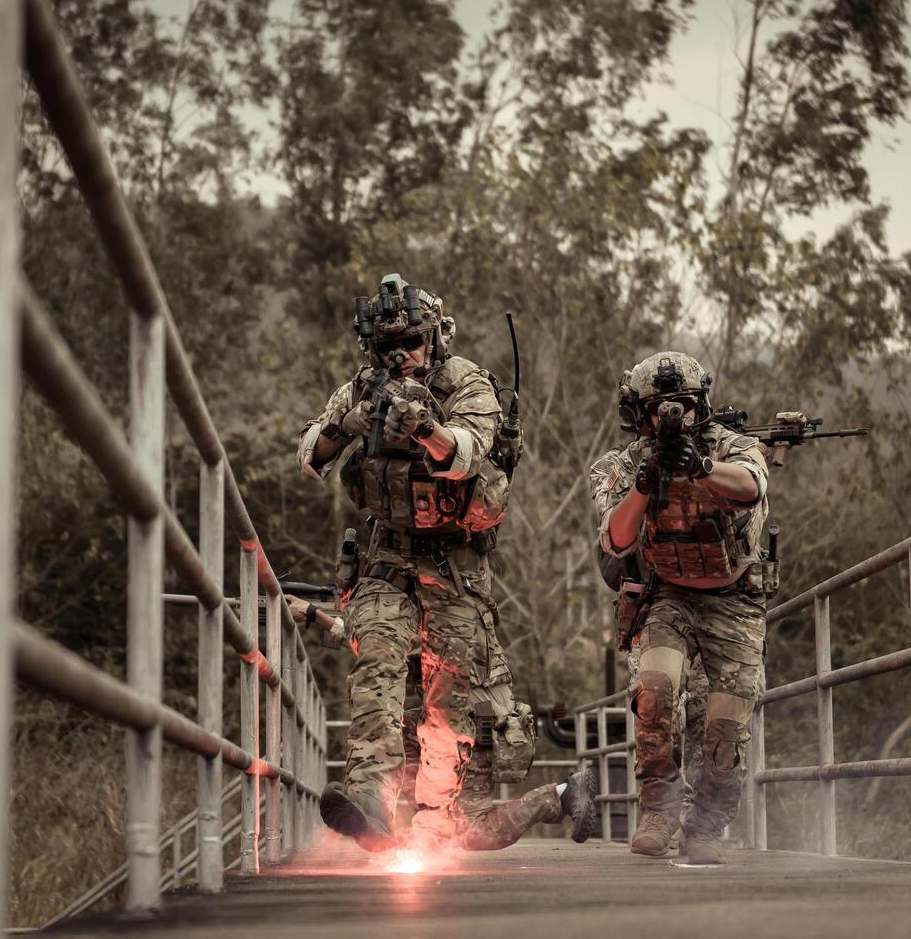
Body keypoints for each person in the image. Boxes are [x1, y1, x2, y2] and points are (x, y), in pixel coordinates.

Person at [298, 273, 597, 853]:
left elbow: (465, 455)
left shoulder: (467, 384)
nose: (400, 355)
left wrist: (424, 429)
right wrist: (352, 421)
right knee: (378, 660)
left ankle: (437, 820)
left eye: (411, 341)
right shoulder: (360, 389)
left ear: (434, 337)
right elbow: (312, 457)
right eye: (387, 347)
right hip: (388, 558)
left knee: (446, 703)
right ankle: (372, 798)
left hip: (457, 571)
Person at [587, 352, 770, 865]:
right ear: (639, 415)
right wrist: (645, 485)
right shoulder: (620, 465)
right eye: (658, 409)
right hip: (668, 593)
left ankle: (707, 824)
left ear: (700, 406)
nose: (670, 417)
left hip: (733, 597)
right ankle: (660, 807)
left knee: (727, 717)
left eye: (682, 407)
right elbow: (617, 539)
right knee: (655, 688)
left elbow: (751, 488)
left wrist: (701, 467)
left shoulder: (733, 446)